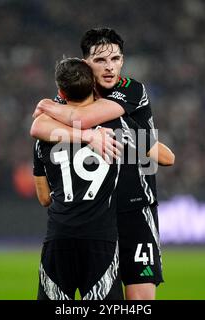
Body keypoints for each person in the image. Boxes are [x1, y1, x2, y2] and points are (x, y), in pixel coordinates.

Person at [31, 28, 175, 299]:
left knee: (140, 298)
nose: (110, 68)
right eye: (101, 61)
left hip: (134, 209)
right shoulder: (74, 94)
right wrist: (86, 135)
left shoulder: (131, 89)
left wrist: (49, 106)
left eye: (116, 59)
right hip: (94, 214)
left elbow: (80, 117)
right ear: (86, 63)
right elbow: (38, 127)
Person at [32, 57, 130, 300]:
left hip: (59, 237)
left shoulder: (45, 135)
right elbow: (165, 157)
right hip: (101, 239)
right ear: (94, 88)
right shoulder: (117, 127)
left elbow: (44, 197)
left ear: (61, 92)